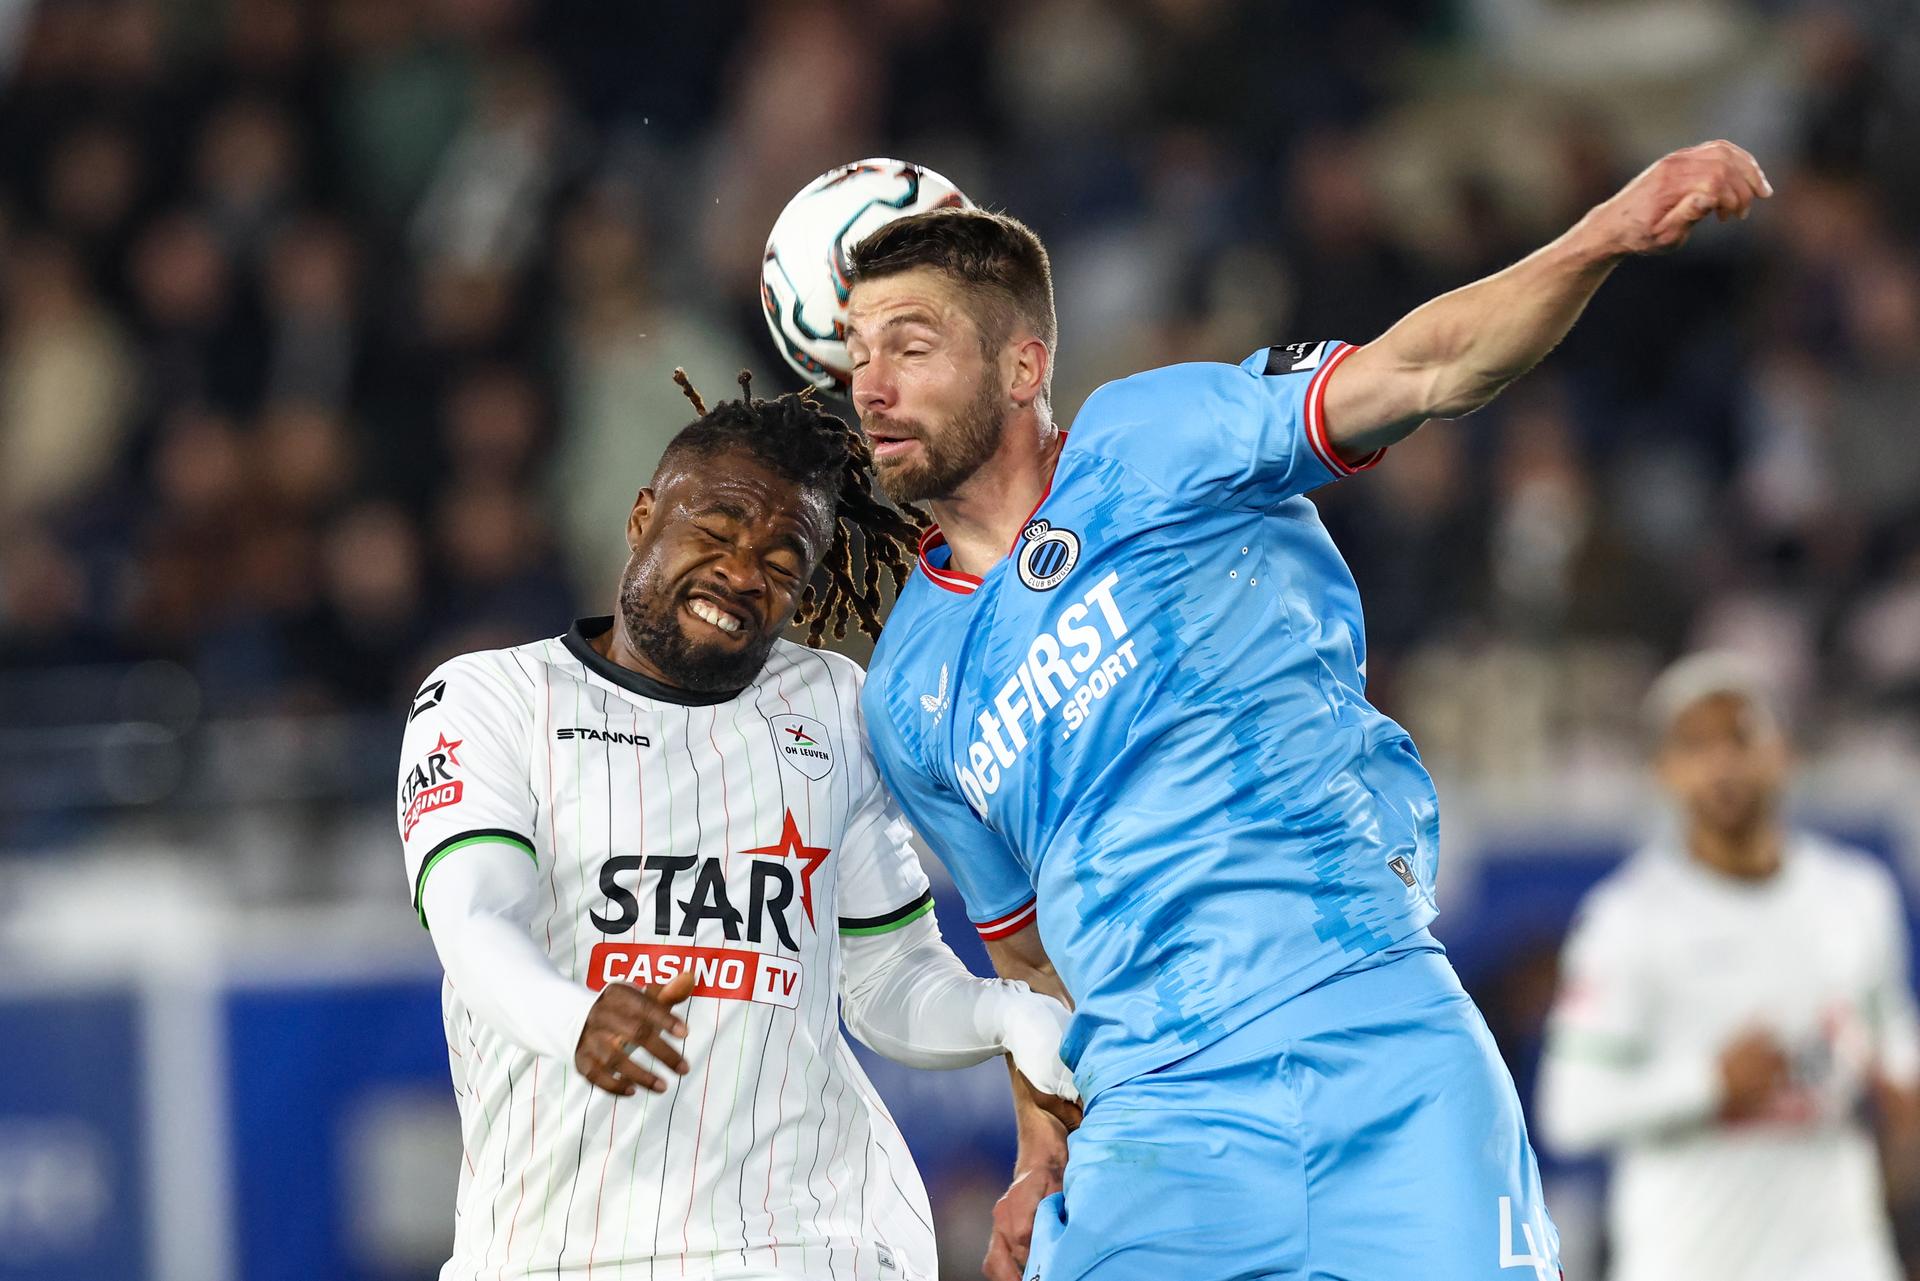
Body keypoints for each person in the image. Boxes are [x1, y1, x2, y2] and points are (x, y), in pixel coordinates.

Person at [842, 139, 1772, 1281]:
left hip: (1376, 1041)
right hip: (1153, 1130)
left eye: (911, 347)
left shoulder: (1161, 436)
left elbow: (1425, 372)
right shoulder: (907, 692)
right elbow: (1032, 972)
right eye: (856, 353)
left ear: (1024, 364)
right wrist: (1042, 1158)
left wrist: (1604, 234)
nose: (871, 385)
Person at [395, 371, 1075, 1281]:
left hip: (811, 1242)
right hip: (556, 1251)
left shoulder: (831, 706)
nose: (742, 574)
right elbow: (475, 922)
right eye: (714, 533)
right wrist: (575, 1016)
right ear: (642, 519)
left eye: (782, 561)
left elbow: (885, 977)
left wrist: (1005, 1013)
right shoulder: (488, 697)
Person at [1537, 653, 1920, 1281]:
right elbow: (1570, 1110)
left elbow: (1889, 1026)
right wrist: (1710, 1084)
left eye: (1741, 737)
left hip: (1841, 1252)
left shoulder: (1858, 895)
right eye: (1695, 744)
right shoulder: (1626, 918)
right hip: (1690, 1258)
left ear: (1784, 753)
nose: (1722, 764)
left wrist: (1902, 1080)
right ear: (1664, 772)